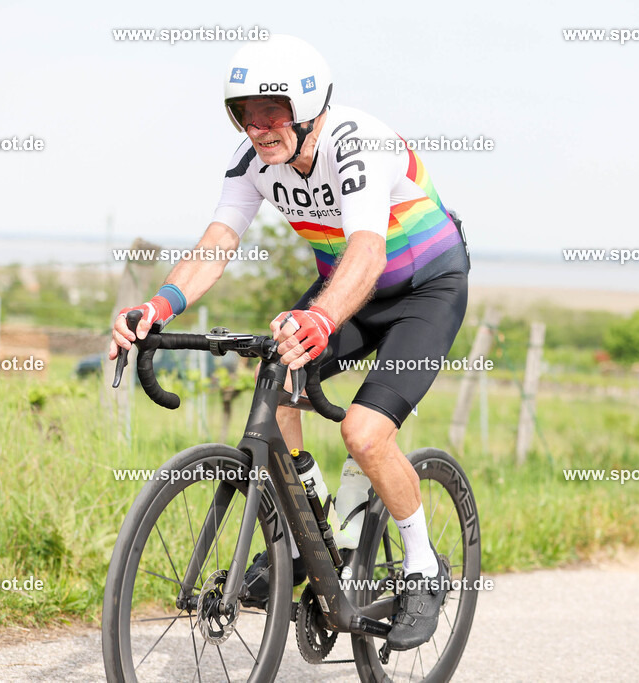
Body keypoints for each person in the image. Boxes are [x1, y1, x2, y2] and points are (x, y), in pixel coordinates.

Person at [109, 34, 470, 651]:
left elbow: (367, 249)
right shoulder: (253, 161)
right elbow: (219, 241)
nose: (258, 127)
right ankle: (310, 530)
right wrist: (158, 305)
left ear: (306, 107)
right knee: (275, 379)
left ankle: (423, 566)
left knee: (364, 433)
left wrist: (320, 320)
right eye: (244, 114)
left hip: (423, 290)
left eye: (271, 110)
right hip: (347, 289)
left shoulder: (357, 143)